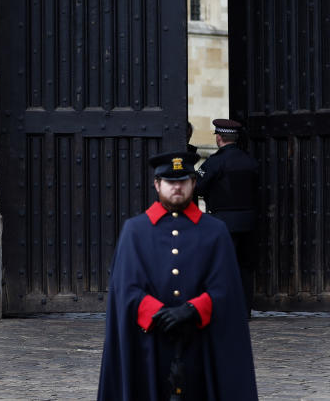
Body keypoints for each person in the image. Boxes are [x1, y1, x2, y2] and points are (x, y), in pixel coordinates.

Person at [98, 151, 258, 400]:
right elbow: (125, 288)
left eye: (183, 181)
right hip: (149, 341)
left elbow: (226, 288)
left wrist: (193, 309)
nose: (177, 187)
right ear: (157, 184)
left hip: (200, 340)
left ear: (194, 183)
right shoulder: (135, 231)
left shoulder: (215, 231)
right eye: (170, 182)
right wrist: (156, 312)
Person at [195, 118, 260, 313]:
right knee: (245, 267)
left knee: (222, 265)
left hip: (223, 222)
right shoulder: (249, 161)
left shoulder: (215, 162)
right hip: (248, 221)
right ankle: (245, 309)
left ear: (219, 138)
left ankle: (224, 309)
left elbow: (197, 186)